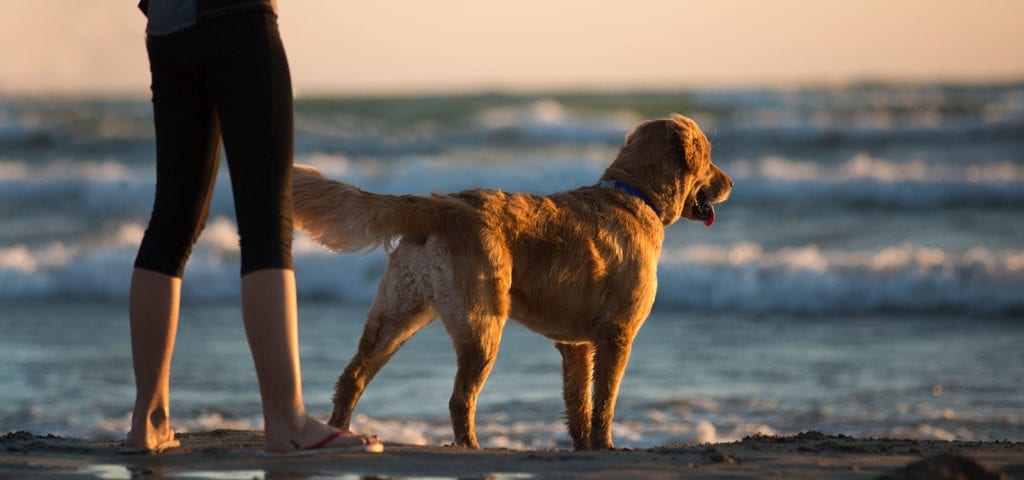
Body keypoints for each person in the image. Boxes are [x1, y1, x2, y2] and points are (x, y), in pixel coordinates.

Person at [124, 0, 383, 454]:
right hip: (237, 17)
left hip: (168, 28)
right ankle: (286, 421)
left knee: (171, 225)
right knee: (266, 223)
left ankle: (149, 420)